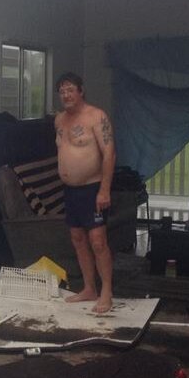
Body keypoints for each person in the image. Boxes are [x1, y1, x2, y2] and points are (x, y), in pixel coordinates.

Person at [55, 72, 116, 314]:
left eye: (70, 90)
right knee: (78, 240)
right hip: (70, 191)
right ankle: (89, 288)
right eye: (62, 91)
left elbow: (109, 153)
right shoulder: (59, 120)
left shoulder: (96, 117)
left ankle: (107, 291)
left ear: (81, 91)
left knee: (98, 241)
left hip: (93, 188)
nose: (66, 95)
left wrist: (104, 190)